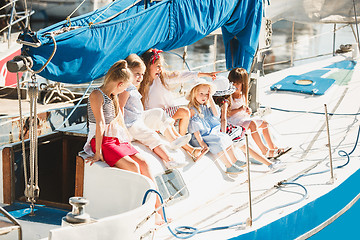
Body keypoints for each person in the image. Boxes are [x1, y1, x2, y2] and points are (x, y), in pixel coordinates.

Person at [83, 60, 166, 225]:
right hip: (101, 141)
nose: (125, 90)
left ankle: (159, 210)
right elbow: (99, 124)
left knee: (144, 163)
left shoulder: (113, 96)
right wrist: (98, 153)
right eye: (125, 87)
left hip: (115, 139)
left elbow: (119, 120)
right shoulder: (96, 95)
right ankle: (143, 215)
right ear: (120, 84)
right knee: (133, 168)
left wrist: (127, 141)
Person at [118, 54, 206, 166]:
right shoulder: (126, 88)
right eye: (137, 74)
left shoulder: (135, 87)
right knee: (152, 136)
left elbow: (178, 75)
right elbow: (120, 107)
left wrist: (201, 74)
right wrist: (121, 130)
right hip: (131, 124)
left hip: (139, 118)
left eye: (142, 74)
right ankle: (170, 160)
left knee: (159, 113)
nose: (140, 77)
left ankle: (174, 140)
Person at [139, 48, 219, 135]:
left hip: (167, 113)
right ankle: (174, 136)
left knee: (185, 111)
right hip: (154, 117)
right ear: (147, 66)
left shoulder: (162, 78)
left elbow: (181, 76)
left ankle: (181, 137)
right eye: (158, 66)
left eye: (161, 66)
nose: (160, 69)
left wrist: (204, 74)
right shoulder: (140, 85)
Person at [212, 76, 285, 172]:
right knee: (243, 144)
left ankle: (269, 163)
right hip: (224, 129)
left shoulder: (213, 102)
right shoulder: (224, 102)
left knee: (243, 145)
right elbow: (223, 119)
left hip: (215, 128)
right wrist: (224, 133)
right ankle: (269, 163)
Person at [228, 68, 291, 159]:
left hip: (243, 120)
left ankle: (273, 148)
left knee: (264, 123)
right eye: (232, 83)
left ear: (243, 84)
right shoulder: (229, 97)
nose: (235, 86)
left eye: (237, 84)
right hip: (234, 123)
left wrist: (248, 110)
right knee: (252, 124)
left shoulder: (243, 95)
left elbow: (244, 109)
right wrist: (239, 109)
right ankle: (264, 151)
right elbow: (226, 114)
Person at [187, 78, 246, 174]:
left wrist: (210, 98)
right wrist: (202, 143)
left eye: (206, 94)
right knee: (218, 140)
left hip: (209, 133)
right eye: (201, 94)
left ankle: (234, 160)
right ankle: (228, 165)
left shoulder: (205, 106)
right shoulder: (193, 109)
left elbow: (216, 114)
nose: (204, 97)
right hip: (200, 138)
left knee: (225, 136)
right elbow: (195, 129)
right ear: (194, 94)